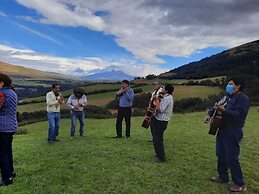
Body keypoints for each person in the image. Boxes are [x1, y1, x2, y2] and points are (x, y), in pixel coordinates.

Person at [204, 78, 250, 193]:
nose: (228, 86)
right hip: (222, 129)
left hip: (233, 131)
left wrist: (224, 111)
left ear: (238, 86)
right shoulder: (227, 97)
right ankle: (223, 177)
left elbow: (240, 115)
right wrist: (210, 115)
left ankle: (240, 184)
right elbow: (217, 106)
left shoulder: (242, 98)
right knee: (220, 154)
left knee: (231, 157)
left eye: (230, 84)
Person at [0, 73, 18, 186]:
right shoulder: (12, 92)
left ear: (1, 83)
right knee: (7, 151)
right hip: (11, 126)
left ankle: (7, 178)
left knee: (2, 153)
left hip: (2, 127)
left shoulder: (1, 93)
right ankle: (11, 172)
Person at [150, 84, 174, 163]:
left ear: (166, 90)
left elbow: (160, 109)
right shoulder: (163, 96)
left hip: (161, 121)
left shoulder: (168, 98)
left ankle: (161, 158)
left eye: (163, 88)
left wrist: (156, 100)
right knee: (155, 138)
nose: (161, 89)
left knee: (158, 140)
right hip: (157, 119)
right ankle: (158, 154)